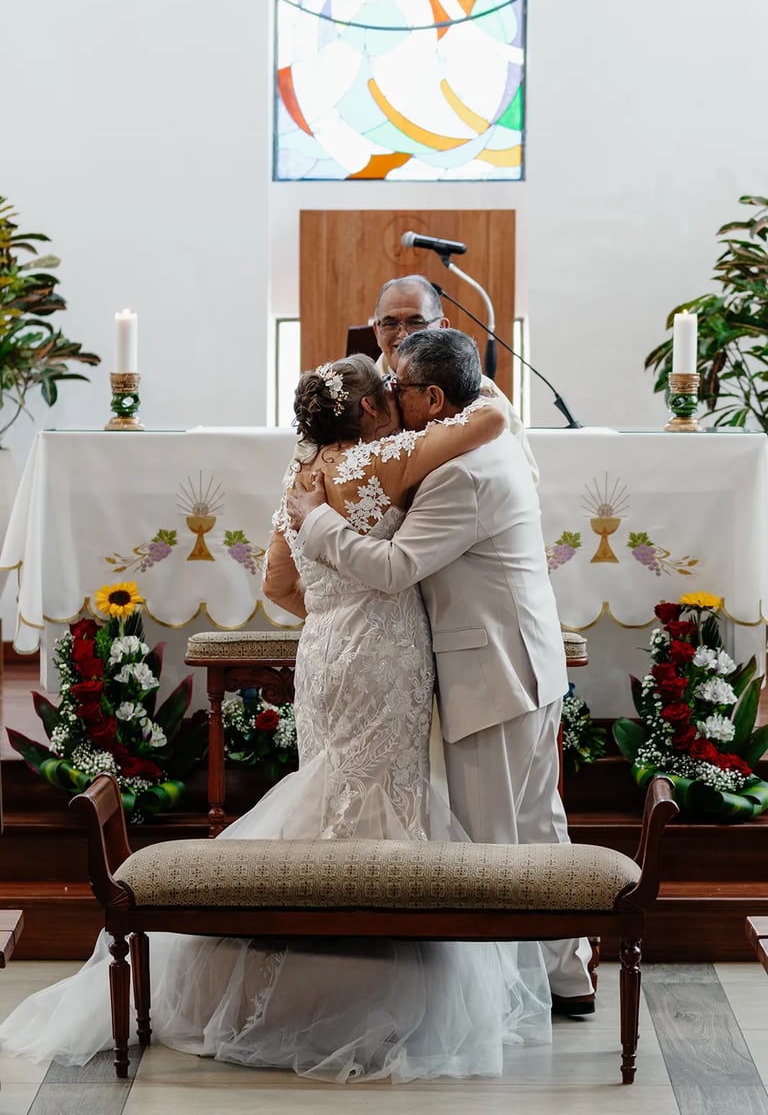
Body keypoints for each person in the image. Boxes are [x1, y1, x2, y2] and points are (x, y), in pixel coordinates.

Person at [0, 353, 552, 1082]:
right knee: (381, 802)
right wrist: (375, 613)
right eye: (386, 391)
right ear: (366, 412)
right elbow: (486, 418)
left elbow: (277, 583)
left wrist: (336, 612)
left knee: (329, 798)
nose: (395, 396)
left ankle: (299, 970)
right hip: (381, 657)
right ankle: (373, 994)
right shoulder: (384, 460)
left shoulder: (303, 477)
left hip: (324, 654)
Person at [287, 329, 595, 1015]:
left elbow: (396, 569)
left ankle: (502, 1005)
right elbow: (486, 394)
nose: (388, 394)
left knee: (492, 846)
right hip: (525, 661)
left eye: (400, 384)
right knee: (538, 824)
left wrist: (314, 524)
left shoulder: (460, 471)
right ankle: (566, 976)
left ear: (433, 396)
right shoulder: (489, 426)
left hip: (493, 673)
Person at [371, 274, 539, 483]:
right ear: (377, 330)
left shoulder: (481, 390)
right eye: (390, 323)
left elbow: (525, 473)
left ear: (442, 326)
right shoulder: (362, 393)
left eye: (416, 322)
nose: (403, 334)